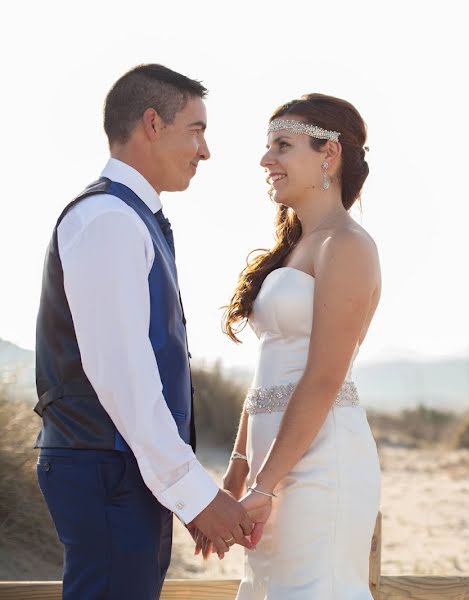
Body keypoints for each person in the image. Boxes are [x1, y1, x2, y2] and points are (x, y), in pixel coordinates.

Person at [33, 64, 257, 600]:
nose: (205, 151)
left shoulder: (130, 216)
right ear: (152, 123)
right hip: (106, 467)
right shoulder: (107, 219)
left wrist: (182, 494)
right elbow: (124, 377)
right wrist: (195, 493)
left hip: (122, 469)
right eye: (197, 129)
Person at [215, 93, 382, 599]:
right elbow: (269, 370)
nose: (267, 161)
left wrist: (265, 484)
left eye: (282, 146)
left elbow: (322, 377)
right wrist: (238, 471)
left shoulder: (348, 245)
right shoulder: (295, 248)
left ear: (328, 155)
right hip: (274, 462)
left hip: (321, 463)